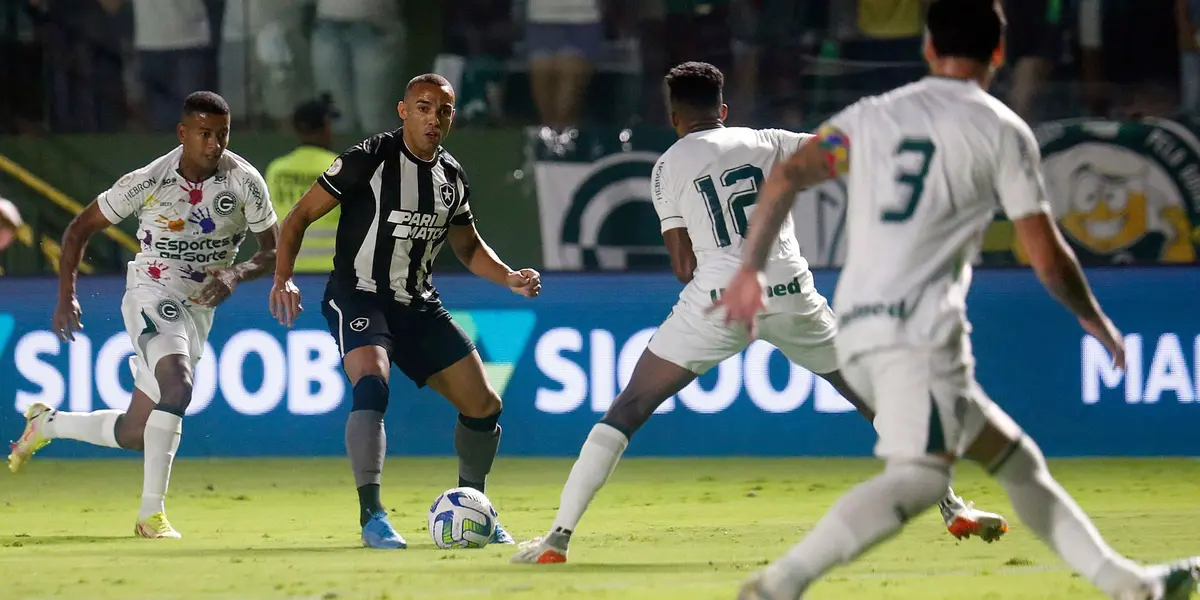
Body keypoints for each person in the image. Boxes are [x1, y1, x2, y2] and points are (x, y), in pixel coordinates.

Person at [714, 3, 1200, 599]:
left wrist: (748, 272)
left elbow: (787, 175)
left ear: (926, 47)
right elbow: (1046, 256)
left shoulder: (870, 118)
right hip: (917, 332)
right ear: (999, 53)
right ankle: (778, 585)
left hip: (858, 325)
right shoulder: (999, 129)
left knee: (1016, 462)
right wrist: (1092, 317)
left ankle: (1130, 585)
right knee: (920, 479)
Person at [510, 61, 1008, 566]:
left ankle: (557, 538)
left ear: (674, 116)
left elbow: (684, 266)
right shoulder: (771, 141)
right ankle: (951, 507)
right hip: (792, 294)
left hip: (719, 301)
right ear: (723, 110)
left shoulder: (667, 167)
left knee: (630, 407)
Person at [268, 73, 541, 550]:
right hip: (358, 295)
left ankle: (473, 506)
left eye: (444, 110)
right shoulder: (366, 159)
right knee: (372, 384)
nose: (434, 118)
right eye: (423, 107)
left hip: (418, 304)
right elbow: (298, 218)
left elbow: (469, 247)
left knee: (484, 406)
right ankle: (372, 516)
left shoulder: (451, 177)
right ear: (403, 110)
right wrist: (282, 277)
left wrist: (509, 277)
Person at [8, 92, 279, 540]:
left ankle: (47, 423)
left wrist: (237, 272)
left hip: (200, 306)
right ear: (183, 133)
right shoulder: (149, 180)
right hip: (152, 291)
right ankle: (151, 516)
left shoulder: (244, 181)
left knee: (136, 431)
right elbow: (79, 229)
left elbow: (271, 249)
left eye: (222, 134)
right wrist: (65, 296)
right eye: (205, 134)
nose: (215, 145)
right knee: (179, 384)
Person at [264, 96, 341, 273]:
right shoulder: (339, 166)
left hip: (287, 269)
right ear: (326, 127)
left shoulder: (276, 169)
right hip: (332, 270)